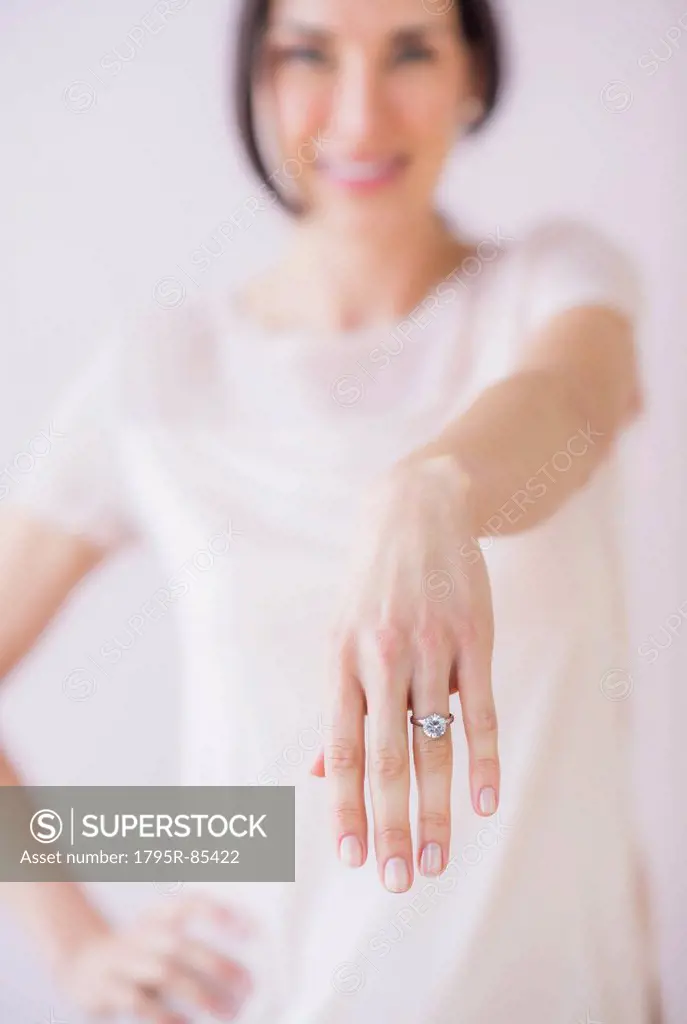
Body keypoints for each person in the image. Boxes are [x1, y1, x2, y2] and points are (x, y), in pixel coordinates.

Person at [0, 0, 662, 1021]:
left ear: (472, 75)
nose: (358, 117)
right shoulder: (164, 375)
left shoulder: (548, 286)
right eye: (310, 55)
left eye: (410, 52)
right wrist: (81, 941)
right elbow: (260, 807)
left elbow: (576, 402)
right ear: (258, 80)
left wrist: (431, 492)